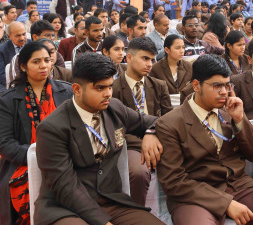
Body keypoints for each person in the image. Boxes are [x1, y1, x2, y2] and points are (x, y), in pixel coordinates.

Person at [155, 54, 253, 224]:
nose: (224, 92)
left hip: (239, 185)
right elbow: (174, 181)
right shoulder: (170, 123)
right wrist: (225, 203)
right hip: (195, 196)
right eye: (217, 86)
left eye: (227, 85)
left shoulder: (229, 112)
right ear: (196, 85)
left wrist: (240, 119)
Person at [33, 53, 164, 225]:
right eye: (100, 88)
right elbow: (65, 187)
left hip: (111, 201)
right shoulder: (52, 127)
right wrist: (102, 222)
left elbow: (155, 122)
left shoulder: (114, 108)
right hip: (66, 208)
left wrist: (150, 133)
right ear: (77, 89)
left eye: (110, 86)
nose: (108, 94)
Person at [0, 41, 73, 224]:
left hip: (67, 159)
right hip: (24, 162)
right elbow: (5, 143)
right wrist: (38, 156)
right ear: (23, 66)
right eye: (36, 61)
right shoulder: (8, 100)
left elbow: (77, 131)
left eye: (47, 60)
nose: (44, 66)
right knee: (24, 187)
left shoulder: (67, 92)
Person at [111, 37, 172, 205]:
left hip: (159, 138)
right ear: (129, 57)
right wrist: (145, 142)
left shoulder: (159, 85)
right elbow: (116, 129)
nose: (150, 64)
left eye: (152, 60)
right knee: (138, 172)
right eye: (145, 58)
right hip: (129, 144)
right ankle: (137, 213)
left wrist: (152, 134)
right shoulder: (114, 88)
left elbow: (168, 120)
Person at [0, 21, 28, 91]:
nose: (22, 38)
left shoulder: (33, 45)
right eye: (18, 36)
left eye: (24, 34)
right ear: (9, 36)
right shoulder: (2, 50)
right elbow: (2, 75)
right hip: (10, 85)